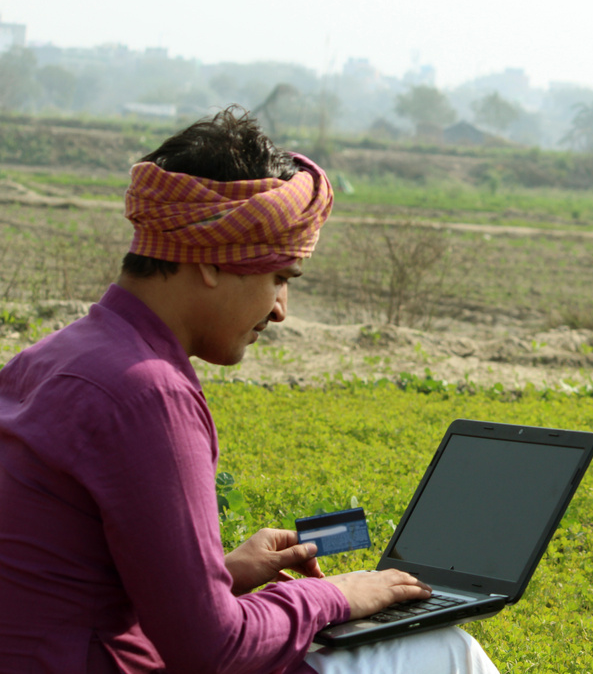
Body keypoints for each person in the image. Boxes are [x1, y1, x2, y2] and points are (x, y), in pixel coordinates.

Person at [0, 107, 499, 674]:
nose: (281, 309)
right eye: (280, 278)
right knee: (446, 650)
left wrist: (220, 574)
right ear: (214, 259)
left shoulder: (52, 357)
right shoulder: (147, 395)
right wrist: (337, 594)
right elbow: (214, 651)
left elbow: (70, 576)